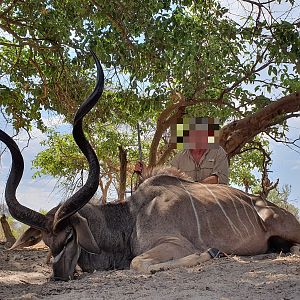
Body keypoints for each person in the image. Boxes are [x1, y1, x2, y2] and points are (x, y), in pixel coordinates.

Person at [170, 116, 229, 184]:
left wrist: (194, 188)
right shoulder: (178, 158)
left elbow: (220, 178)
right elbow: (172, 182)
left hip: (214, 193)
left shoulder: (218, 152)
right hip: (185, 194)